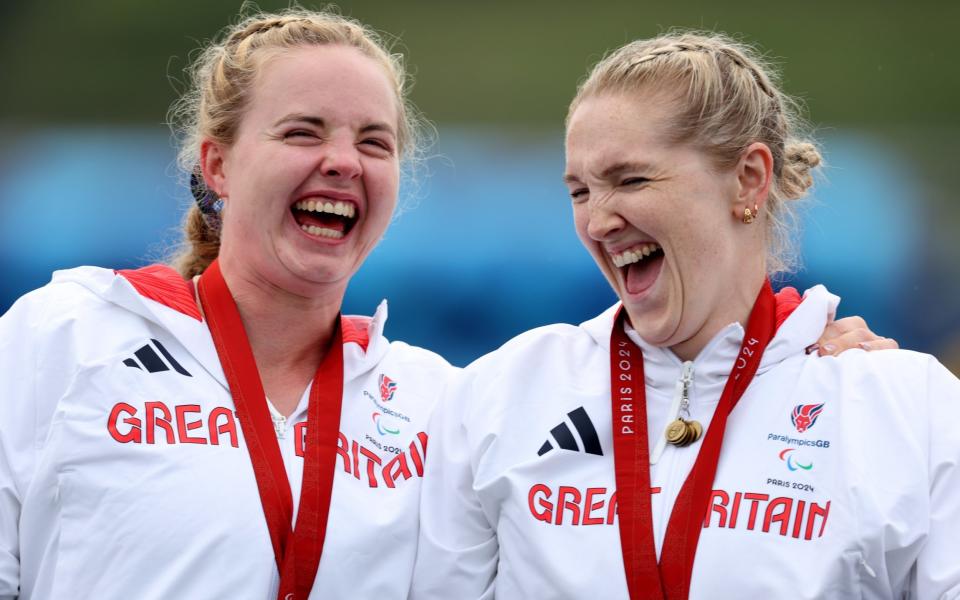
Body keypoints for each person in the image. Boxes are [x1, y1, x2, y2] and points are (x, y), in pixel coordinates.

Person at [0, 11, 893, 600]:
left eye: (373, 141)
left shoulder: (437, 403)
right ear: (220, 165)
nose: (342, 162)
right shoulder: (66, 336)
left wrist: (796, 368)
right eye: (303, 131)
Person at [411, 32, 960, 599]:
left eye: (631, 180)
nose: (598, 222)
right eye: (580, 192)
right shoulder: (499, 395)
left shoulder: (905, 406)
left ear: (748, 177)